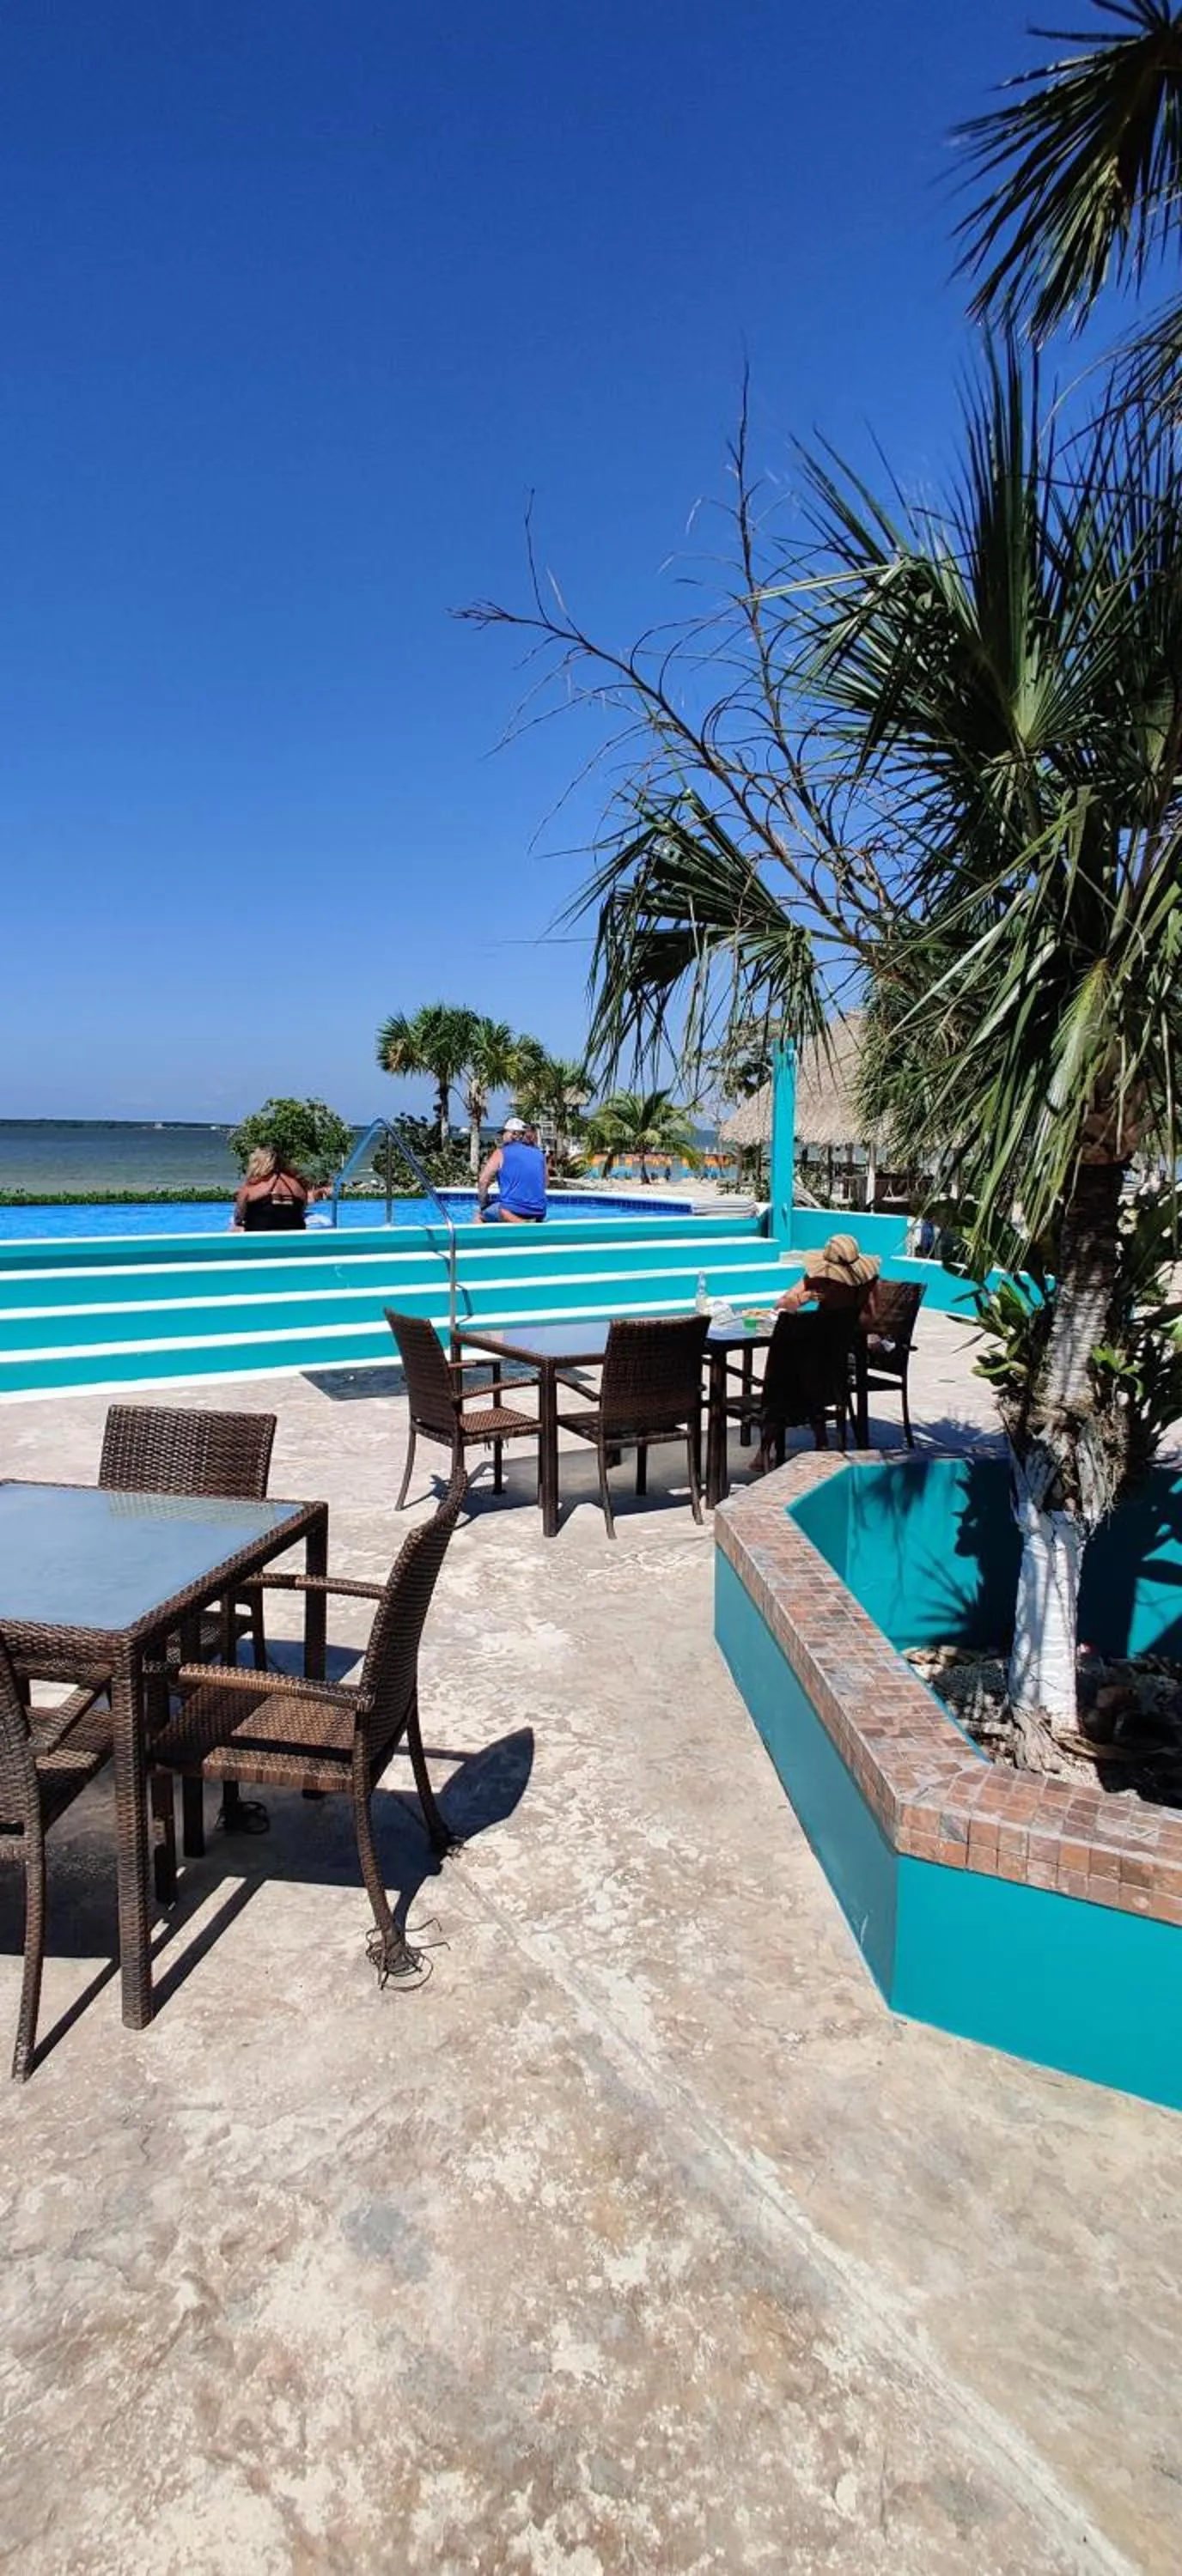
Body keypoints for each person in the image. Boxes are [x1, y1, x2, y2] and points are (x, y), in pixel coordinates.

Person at [749, 1232, 880, 1473]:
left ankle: (765, 1450)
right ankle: (821, 1439)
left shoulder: (822, 1280)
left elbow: (782, 1305)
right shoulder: (866, 1283)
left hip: (817, 1368)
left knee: (784, 1377)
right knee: (805, 1369)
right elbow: (871, 1320)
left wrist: (802, 1297)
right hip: (838, 1365)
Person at [231, 1146, 325, 1232]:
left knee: (235, 1228)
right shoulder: (297, 1185)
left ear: (257, 1163)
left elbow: (238, 1218)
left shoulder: (252, 1186)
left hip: (260, 1240)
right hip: (294, 1239)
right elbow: (302, 1210)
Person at [476, 1115, 547, 1224]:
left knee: (480, 1215)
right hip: (539, 1213)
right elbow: (545, 1182)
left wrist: (483, 1204)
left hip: (510, 1213)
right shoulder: (539, 1154)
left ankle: (481, 1240)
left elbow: (483, 1181)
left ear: (514, 1134)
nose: (502, 1136)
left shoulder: (501, 1153)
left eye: (504, 1132)